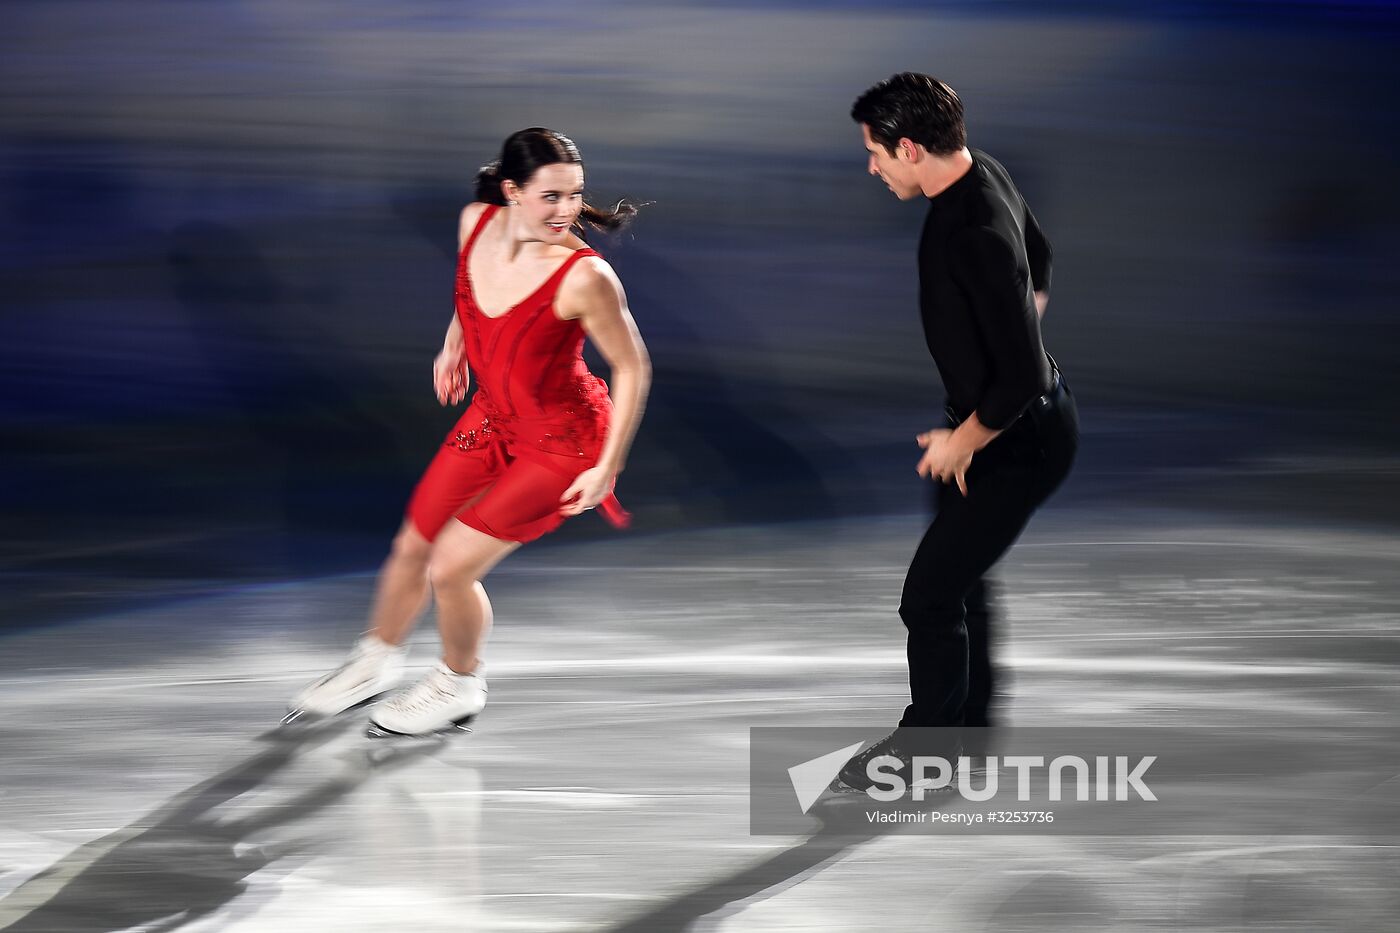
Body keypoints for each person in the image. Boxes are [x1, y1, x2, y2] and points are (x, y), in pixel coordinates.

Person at [286, 128, 651, 737]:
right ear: (510, 191)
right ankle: (375, 661)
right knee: (413, 542)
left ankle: (459, 683)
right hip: (493, 419)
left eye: (574, 196)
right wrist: (456, 342)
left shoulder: (584, 278)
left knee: (451, 567)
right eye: (550, 197)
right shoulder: (476, 223)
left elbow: (633, 365)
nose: (566, 212)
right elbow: (472, 290)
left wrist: (607, 466)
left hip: (563, 443)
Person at [837, 74, 1078, 789]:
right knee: (962, 582)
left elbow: (1023, 376)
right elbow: (1042, 258)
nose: (872, 166)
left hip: (1019, 438)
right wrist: (981, 391)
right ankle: (971, 729)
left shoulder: (970, 232)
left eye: (876, 153)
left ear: (909, 148)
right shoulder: (984, 170)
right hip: (1000, 423)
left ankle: (928, 751)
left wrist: (969, 435)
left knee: (929, 597)